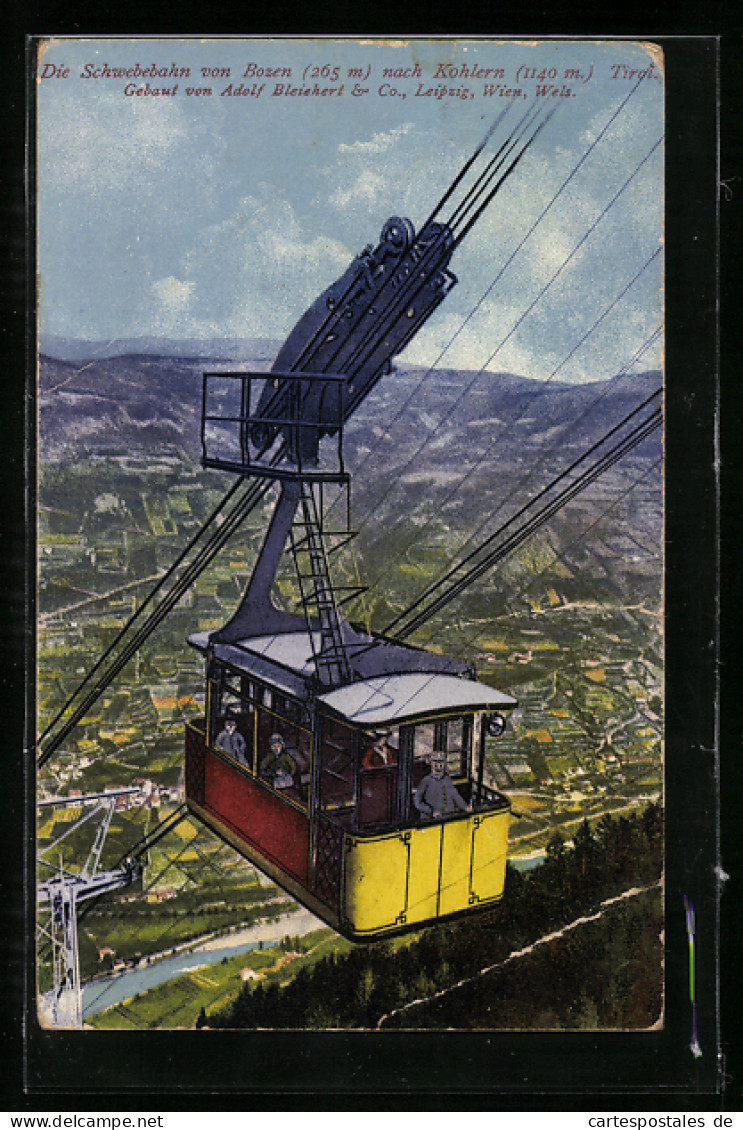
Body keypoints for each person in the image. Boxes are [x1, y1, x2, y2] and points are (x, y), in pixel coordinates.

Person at [414, 750, 472, 820]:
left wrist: (465, 807)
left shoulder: (447, 779)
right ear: (431, 763)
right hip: (431, 820)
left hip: (448, 818)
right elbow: (418, 802)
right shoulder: (426, 781)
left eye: (441, 762)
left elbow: (455, 796)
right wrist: (432, 812)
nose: (439, 765)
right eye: (436, 762)